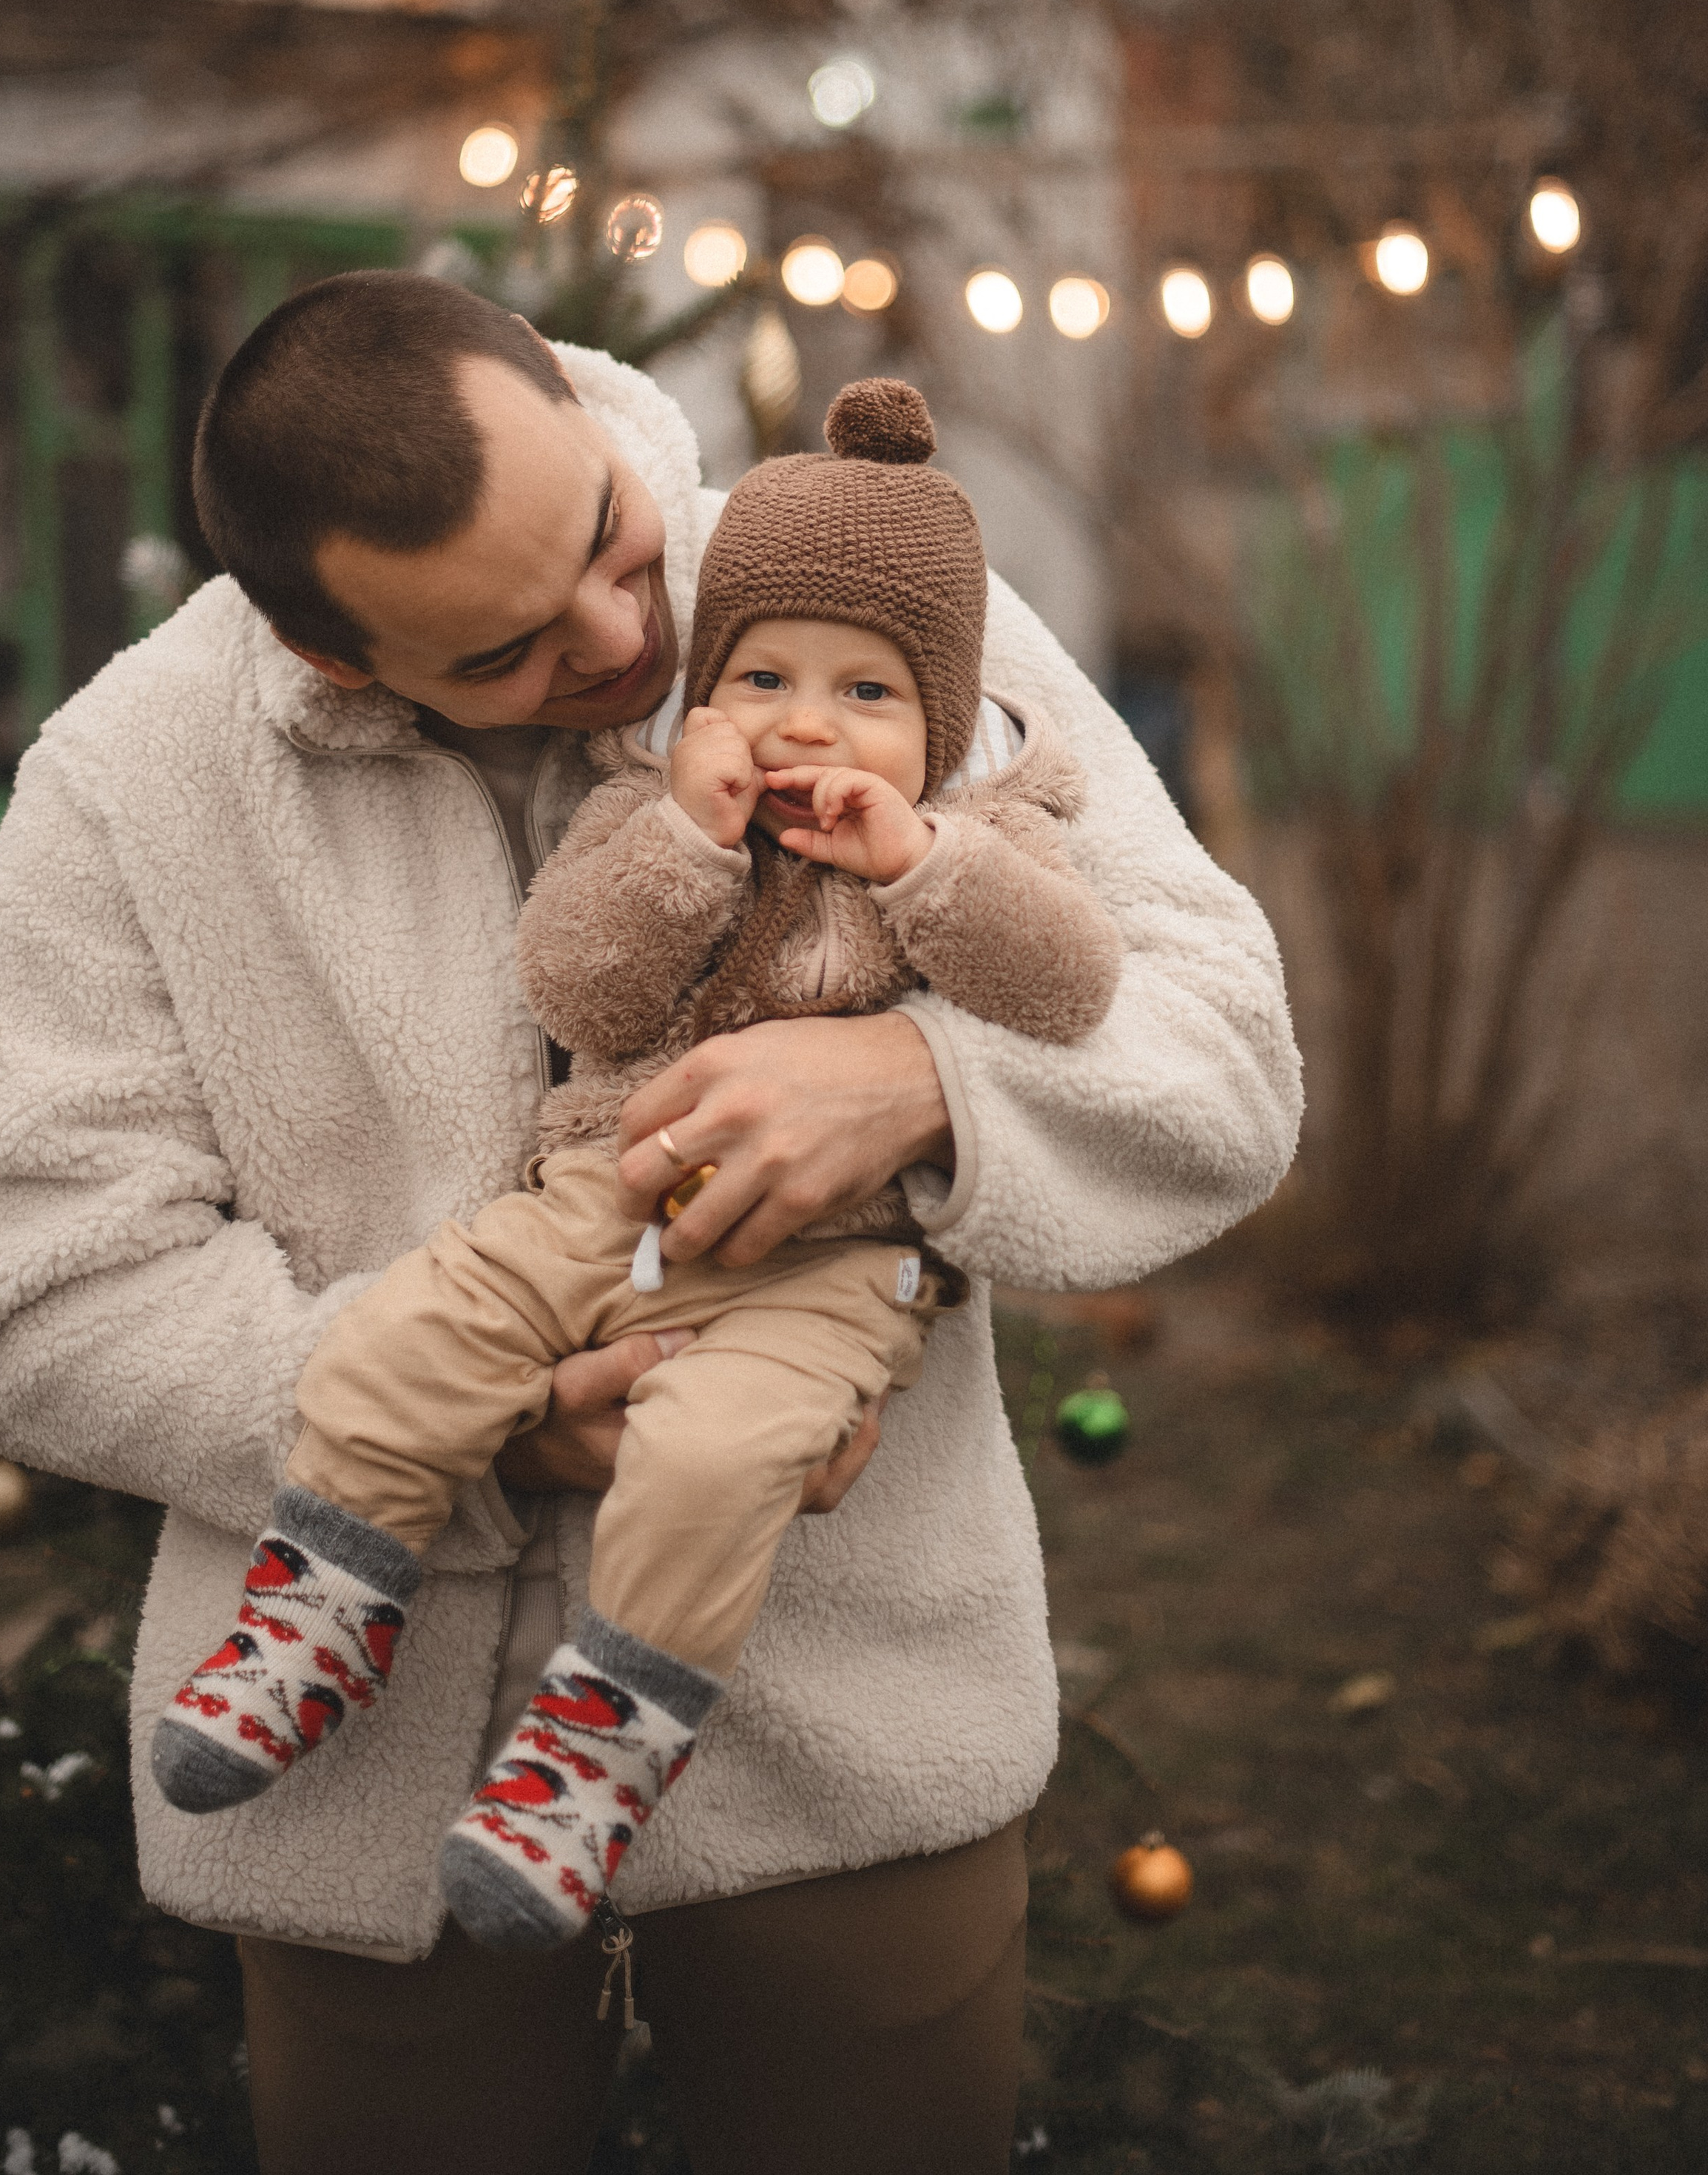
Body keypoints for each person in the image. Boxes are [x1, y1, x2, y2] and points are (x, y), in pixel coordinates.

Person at [0, 274, 1301, 2175]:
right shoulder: (131, 778)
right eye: (503, 649)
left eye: (601, 534)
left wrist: (923, 1086)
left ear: (568, 401)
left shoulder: (855, 592)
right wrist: (469, 1420)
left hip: (850, 1756)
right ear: (337, 663)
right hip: (370, 1804)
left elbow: (1223, 1053)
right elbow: (29, 1290)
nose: (625, 632)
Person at [151, 377, 1127, 1958]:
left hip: (830, 1259)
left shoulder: (983, 828)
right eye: (761, 676)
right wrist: (679, 838)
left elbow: (1079, 984)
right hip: (602, 1191)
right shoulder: (642, 801)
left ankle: (598, 1748)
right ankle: (317, 1602)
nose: (805, 720)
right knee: (415, 1331)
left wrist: (926, 877)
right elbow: (581, 992)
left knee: (716, 1455)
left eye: (866, 694)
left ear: (943, 721)